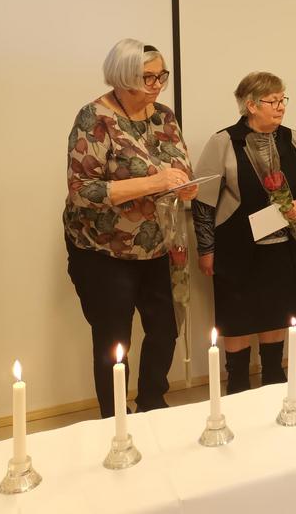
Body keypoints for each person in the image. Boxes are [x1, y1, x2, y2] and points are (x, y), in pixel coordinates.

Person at [64, 38, 197, 417]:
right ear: (122, 77)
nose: (157, 85)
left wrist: (183, 185)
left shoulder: (164, 116)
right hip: (104, 249)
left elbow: (178, 167)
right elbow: (82, 191)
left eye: (161, 76)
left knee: (165, 328)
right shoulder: (94, 118)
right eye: (147, 78)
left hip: (158, 244)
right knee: (114, 338)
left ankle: (152, 403)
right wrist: (154, 183)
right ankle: (115, 419)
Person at [192, 72, 296, 394]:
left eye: (283, 100)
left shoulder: (293, 139)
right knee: (237, 316)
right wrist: (206, 249)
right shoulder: (223, 142)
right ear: (251, 105)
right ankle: (237, 381)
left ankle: (273, 376)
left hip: (285, 248)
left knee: (278, 313)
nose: (281, 107)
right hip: (237, 248)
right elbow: (203, 201)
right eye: (273, 101)